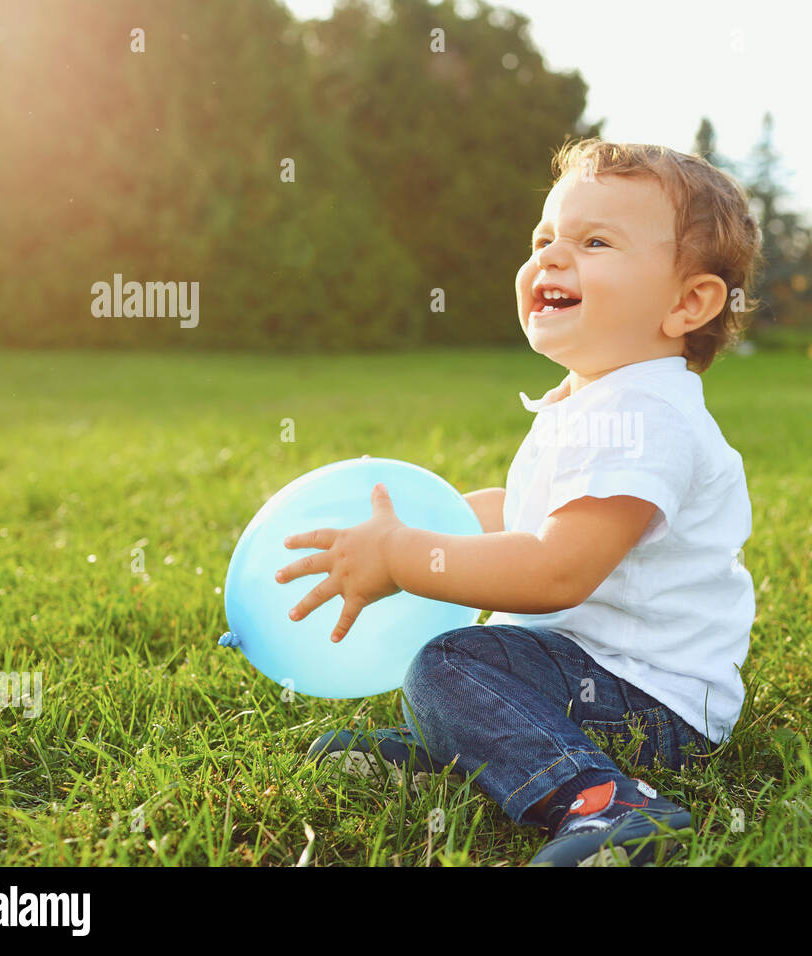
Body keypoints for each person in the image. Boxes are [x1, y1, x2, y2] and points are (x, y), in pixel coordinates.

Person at [277, 139, 760, 866]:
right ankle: (476, 755)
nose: (552, 258)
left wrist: (407, 557)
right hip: (584, 672)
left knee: (452, 667)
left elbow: (556, 570)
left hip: (647, 702)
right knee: (454, 671)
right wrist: (431, 524)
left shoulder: (646, 418)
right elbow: (537, 511)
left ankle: (608, 801)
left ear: (688, 302)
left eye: (595, 242)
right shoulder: (596, 400)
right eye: (545, 239)